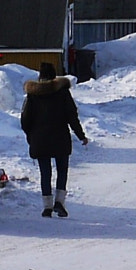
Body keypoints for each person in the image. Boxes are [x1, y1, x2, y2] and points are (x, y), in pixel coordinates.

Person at [20, 60, 89, 218]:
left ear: (40, 77)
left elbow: (25, 120)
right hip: (60, 138)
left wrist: (31, 136)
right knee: (62, 170)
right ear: (54, 76)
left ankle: (47, 207)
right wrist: (81, 135)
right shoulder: (63, 93)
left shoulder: (32, 95)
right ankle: (59, 202)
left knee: (45, 173)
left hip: (40, 140)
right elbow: (72, 116)